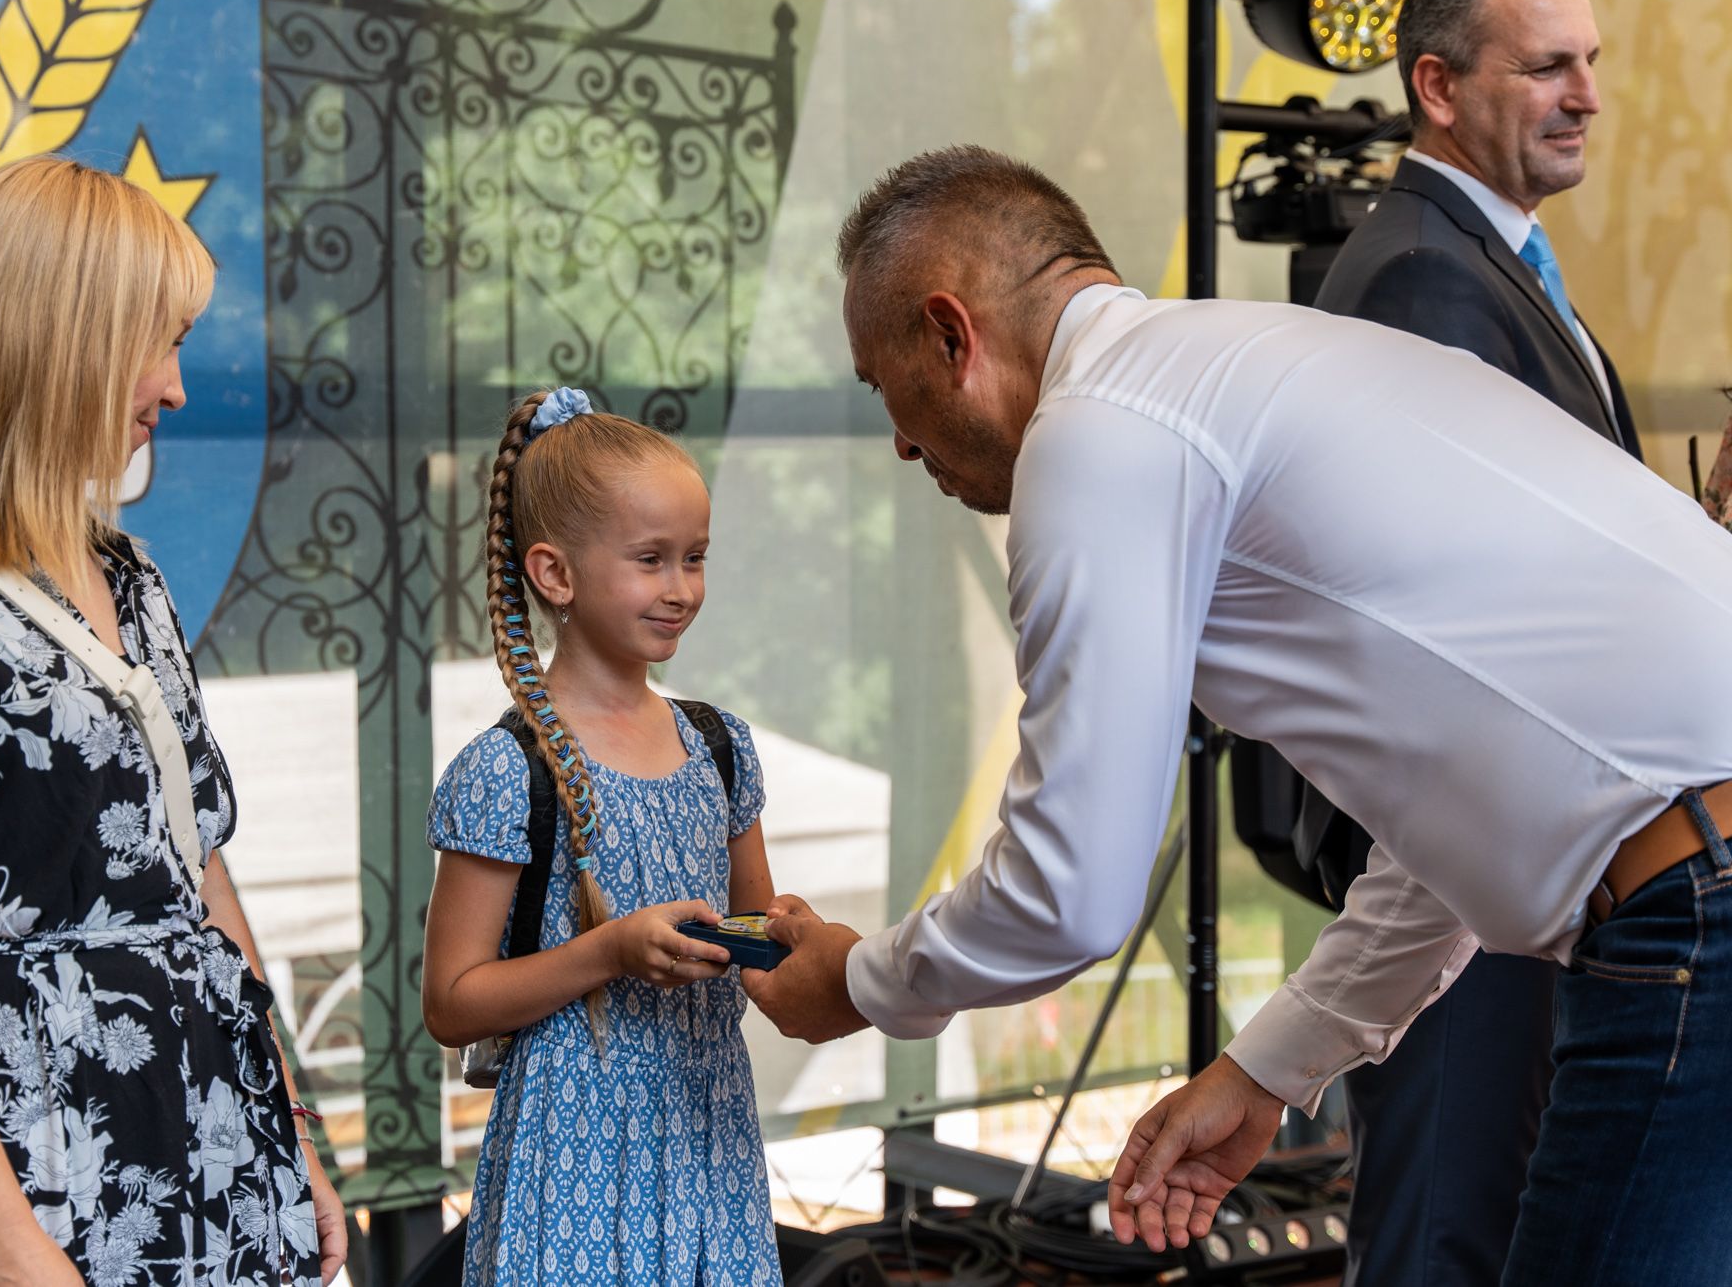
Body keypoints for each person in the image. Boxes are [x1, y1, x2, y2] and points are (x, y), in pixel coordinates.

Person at [740, 145, 1732, 1285]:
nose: (902, 443)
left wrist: (860, 980)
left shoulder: (1097, 431)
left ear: (949, 334)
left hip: (1694, 898)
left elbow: (1068, 890)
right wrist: (1263, 1071)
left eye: (884, 389)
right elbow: (1449, 849)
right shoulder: (1257, 359)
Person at [0, 157, 345, 1286]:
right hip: (31, 1173)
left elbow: (195, 873)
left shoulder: (131, 577)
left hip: (209, 1150)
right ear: (61, 342)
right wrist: (4, 1243)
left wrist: (290, 1132)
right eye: (159, 343)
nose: (174, 389)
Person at [1290, 0, 1634, 1282]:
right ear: (1436, 86)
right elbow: (1470, 614)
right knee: (1447, 1230)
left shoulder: (1497, 260)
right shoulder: (1423, 275)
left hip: (1529, 843)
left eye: (1589, 60)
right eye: (1545, 66)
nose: (1586, 94)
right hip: (1462, 851)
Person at [421, 389, 781, 1286]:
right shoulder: (505, 770)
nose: (681, 588)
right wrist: (611, 950)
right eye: (651, 559)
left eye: (695, 557)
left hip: (708, 1136)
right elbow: (452, 1002)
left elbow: (760, 936)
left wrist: (795, 942)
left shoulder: (720, 747)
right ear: (555, 573)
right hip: (568, 1155)